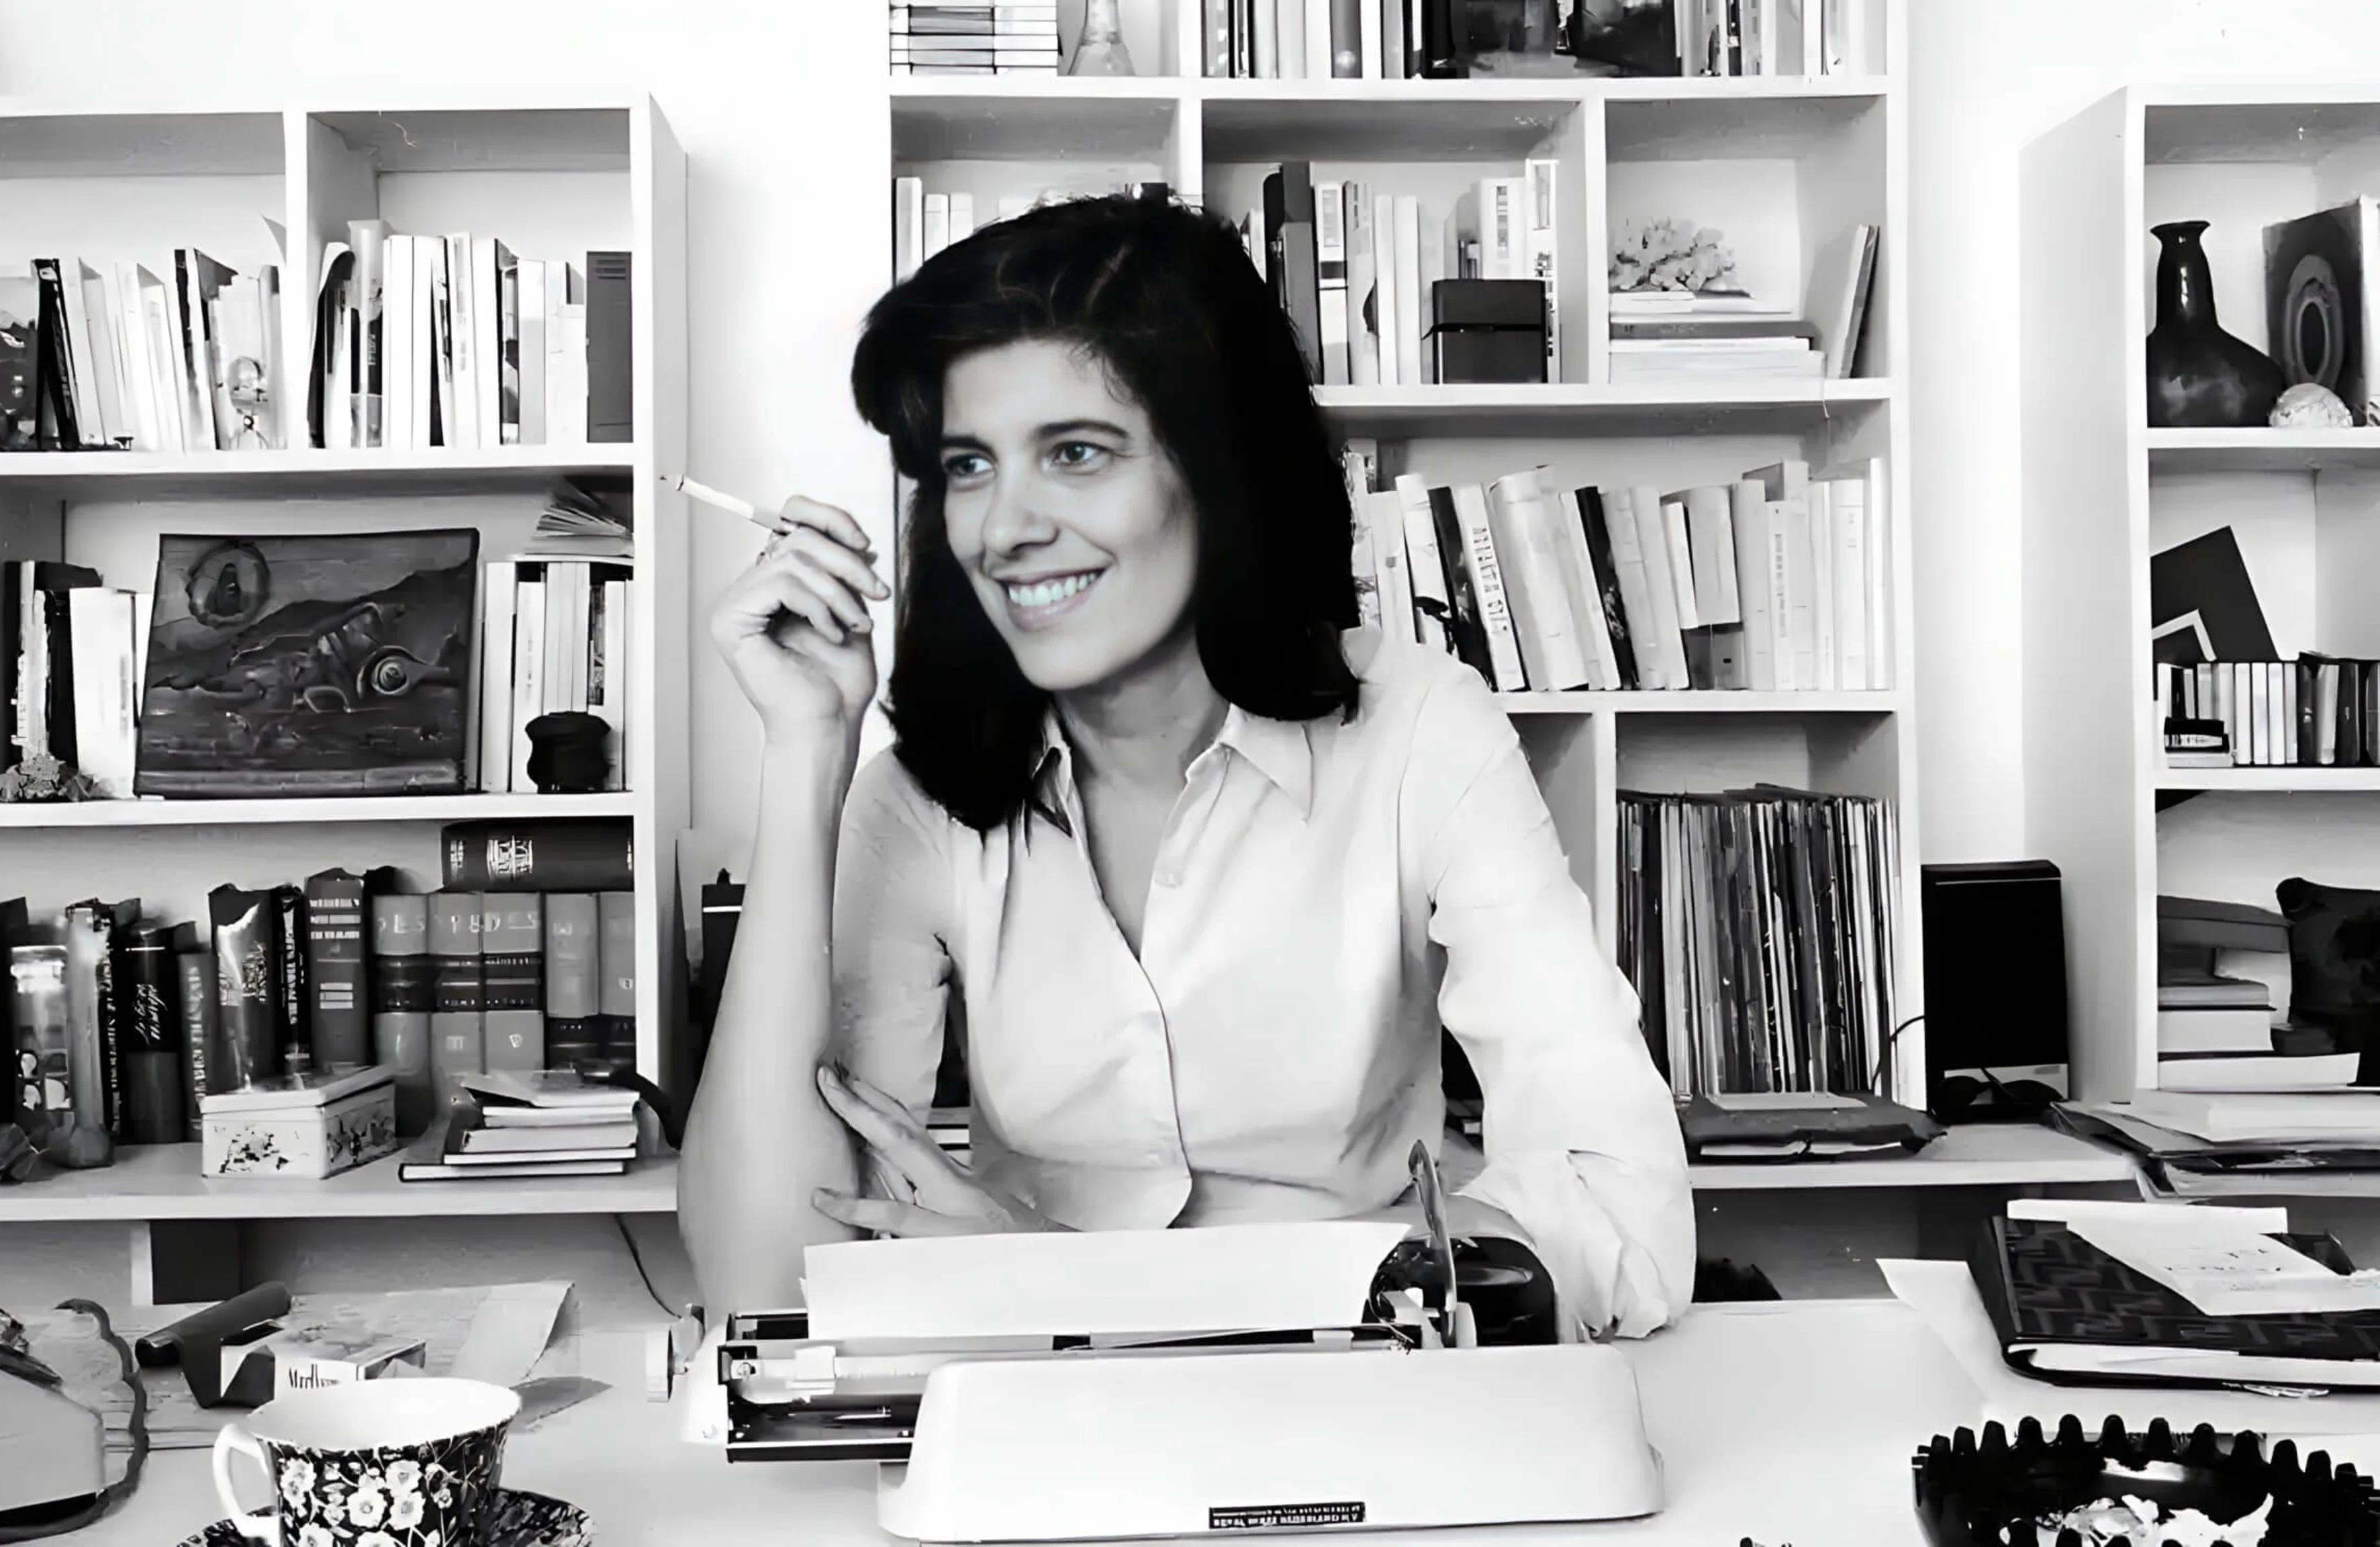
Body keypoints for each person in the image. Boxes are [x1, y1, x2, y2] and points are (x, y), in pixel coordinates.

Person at [679, 191, 1693, 1341]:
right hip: (1046, 1432)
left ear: (1223, 476)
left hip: (1357, 1412)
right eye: (970, 464)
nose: (1002, 528)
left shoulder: (1419, 726)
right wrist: (806, 750)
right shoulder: (920, 795)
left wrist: (1090, 1289)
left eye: (1075, 453)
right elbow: (764, 1289)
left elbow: (1623, 1210)